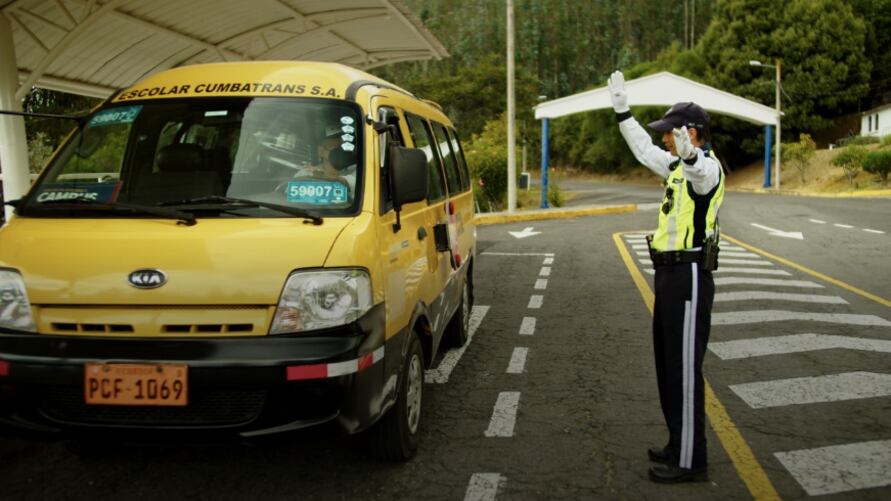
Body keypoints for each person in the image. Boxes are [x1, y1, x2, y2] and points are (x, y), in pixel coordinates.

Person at [607, 70, 725, 484]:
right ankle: (679, 443)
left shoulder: (704, 166)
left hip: (690, 273)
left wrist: (691, 153)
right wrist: (622, 110)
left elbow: (701, 173)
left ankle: (691, 461)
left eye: (671, 133)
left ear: (691, 134)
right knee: (668, 365)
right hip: (670, 275)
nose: (664, 140)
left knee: (685, 369)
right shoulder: (676, 165)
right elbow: (643, 149)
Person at [294, 125, 357, 192]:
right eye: (337, 146)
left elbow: (345, 183)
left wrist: (321, 176)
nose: (343, 150)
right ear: (321, 151)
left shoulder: (359, 171)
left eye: (347, 146)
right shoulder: (305, 174)